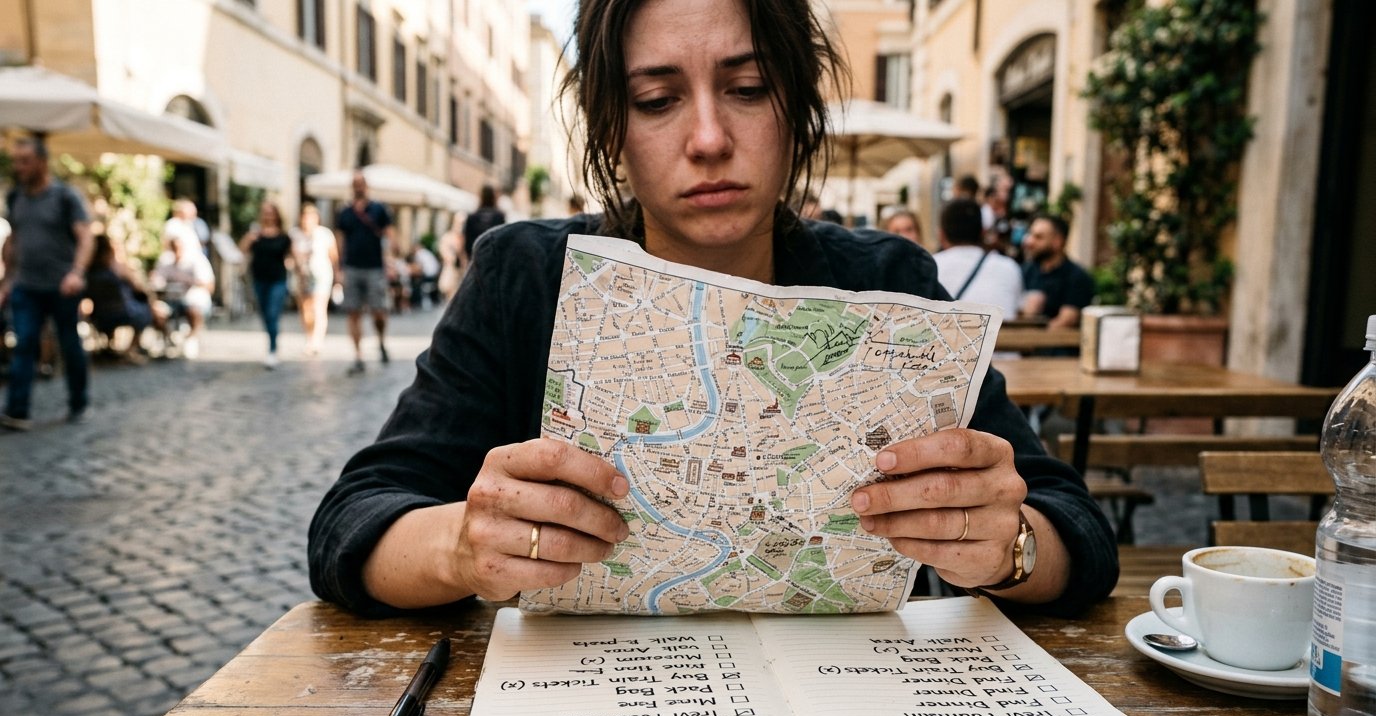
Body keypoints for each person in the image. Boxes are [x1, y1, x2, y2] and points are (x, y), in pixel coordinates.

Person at [309, 0, 1115, 619]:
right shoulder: (526, 275)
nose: (707, 137)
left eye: (748, 88)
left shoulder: (888, 282)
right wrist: (457, 546)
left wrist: (1004, 547)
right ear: (612, 131)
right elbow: (353, 524)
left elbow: (1074, 529)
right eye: (658, 99)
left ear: (795, 107)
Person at [0, 137, 94, 430]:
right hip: (26, 286)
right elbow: (13, 241)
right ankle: (17, 410)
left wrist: (76, 272)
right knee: (25, 343)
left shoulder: (66, 197)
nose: (19, 167)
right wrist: (6, 281)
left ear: (42, 161)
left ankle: (78, 401)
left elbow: (86, 237)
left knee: (69, 343)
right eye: (16, 161)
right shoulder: (15, 198)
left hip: (62, 286)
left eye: (25, 161)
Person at [334, 171, 395, 375]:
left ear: (366, 186)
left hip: (374, 267)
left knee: (378, 312)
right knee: (353, 312)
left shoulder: (378, 209)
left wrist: (390, 261)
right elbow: (341, 240)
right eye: (355, 184)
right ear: (352, 187)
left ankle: (381, 340)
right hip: (352, 267)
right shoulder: (345, 212)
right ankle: (358, 355)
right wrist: (338, 268)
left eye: (361, 184)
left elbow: (389, 235)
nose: (358, 187)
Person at [931, 198, 1023, 317]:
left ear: (941, 235)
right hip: (1002, 335)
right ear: (983, 233)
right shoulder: (1009, 267)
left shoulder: (929, 267)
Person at [84, 233, 166, 360]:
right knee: (149, 310)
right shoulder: (118, 270)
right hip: (123, 312)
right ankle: (132, 348)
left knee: (150, 308)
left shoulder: (87, 273)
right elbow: (139, 289)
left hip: (99, 315)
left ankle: (112, 348)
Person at [240, 201, 294, 369]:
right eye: (265, 212)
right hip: (259, 278)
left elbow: (292, 256)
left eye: (271, 212)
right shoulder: (256, 235)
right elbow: (242, 250)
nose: (268, 215)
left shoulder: (284, 237)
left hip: (278, 279)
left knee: (272, 313)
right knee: (265, 314)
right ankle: (272, 342)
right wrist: (249, 238)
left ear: (276, 215)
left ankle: (272, 349)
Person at [1020, 213, 1095, 330]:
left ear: (1057, 241)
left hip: (1055, 346)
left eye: (1038, 237)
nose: (1029, 241)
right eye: (1030, 234)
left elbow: (1066, 321)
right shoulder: (1026, 270)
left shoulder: (1076, 277)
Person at [151, 232, 215, 359]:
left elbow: (209, 286)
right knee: (156, 312)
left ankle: (191, 338)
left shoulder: (197, 260)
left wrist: (189, 281)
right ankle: (168, 340)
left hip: (193, 299)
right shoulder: (165, 261)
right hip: (170, 299)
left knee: (193, 310)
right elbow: (156, 278)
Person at [292, 204, 337, 356]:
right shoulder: (295, 234)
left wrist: (337, 276)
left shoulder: (325, 234)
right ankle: (309, 337)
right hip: (302, 276)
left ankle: (317, 341)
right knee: (306, 309)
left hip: (322, 274)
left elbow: (333, 256)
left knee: (319, 307)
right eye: (306, 216)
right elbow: (292, 254)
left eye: (312, 216)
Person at [461, 184, 506, 262]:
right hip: (492, 259)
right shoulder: (499, 217)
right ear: (493, 197)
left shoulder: (472, 217)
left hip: (475, 258)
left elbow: (466, 240)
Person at [436, 214, 465, 303]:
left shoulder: (465, 238)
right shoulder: (447, 237)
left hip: (463, 272)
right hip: (452, 272)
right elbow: (447, 256)